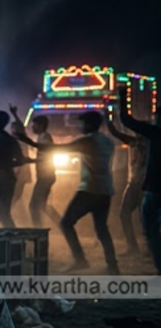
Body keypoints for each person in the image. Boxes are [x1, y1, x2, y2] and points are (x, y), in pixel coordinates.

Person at [16, 111, 118, 274]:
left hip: (89, 189)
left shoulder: (87, 140)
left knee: (66, 223)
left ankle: (80, 259)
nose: (78, 126)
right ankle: (113, 266)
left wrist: (27, 141)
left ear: (89, 125)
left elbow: (55, 149)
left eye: (80, 123)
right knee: (101, 228)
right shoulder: (107, 141)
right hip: (105, 189)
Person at [114, 86, 161, 274]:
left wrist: (123, 95)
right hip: (150, 188)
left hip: (155, 188)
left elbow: (126, 120)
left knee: (150, 228)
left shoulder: (154, 133)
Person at [104, 106, 148, 256]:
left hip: (143, 184)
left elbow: (115, 132)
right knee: (127, 214)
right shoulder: (135, 141)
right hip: (135, 183)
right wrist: (109, 118)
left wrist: (108, 118)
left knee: (141, 216)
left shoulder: (146, 142)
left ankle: (143, 247)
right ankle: (137, 246)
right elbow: (115, 132)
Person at [9, 106, 60, 228]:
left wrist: (28, 155)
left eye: (34, 125)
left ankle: (38, 230)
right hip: (45, 176)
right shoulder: (42, 137)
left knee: (33, 206)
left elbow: (42, 150)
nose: (32, 127)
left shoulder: (45, 137)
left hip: (46, 177)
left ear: (41, 125)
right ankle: (62, 224)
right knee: (42, 206)